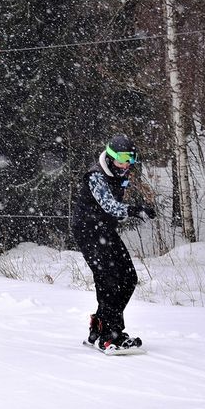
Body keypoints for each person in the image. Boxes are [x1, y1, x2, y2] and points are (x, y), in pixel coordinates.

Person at [72, 134, 156, 352]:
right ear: (110, 157)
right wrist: (135, 210)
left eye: (130, 159)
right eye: (121, 159)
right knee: (108, 280)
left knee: (128, 278)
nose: (126, 164)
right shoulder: (96, 176)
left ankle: (100, 325)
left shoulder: (121, 173)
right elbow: (109, 205)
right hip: (88, 231)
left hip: (105, 230)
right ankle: (110, 335)